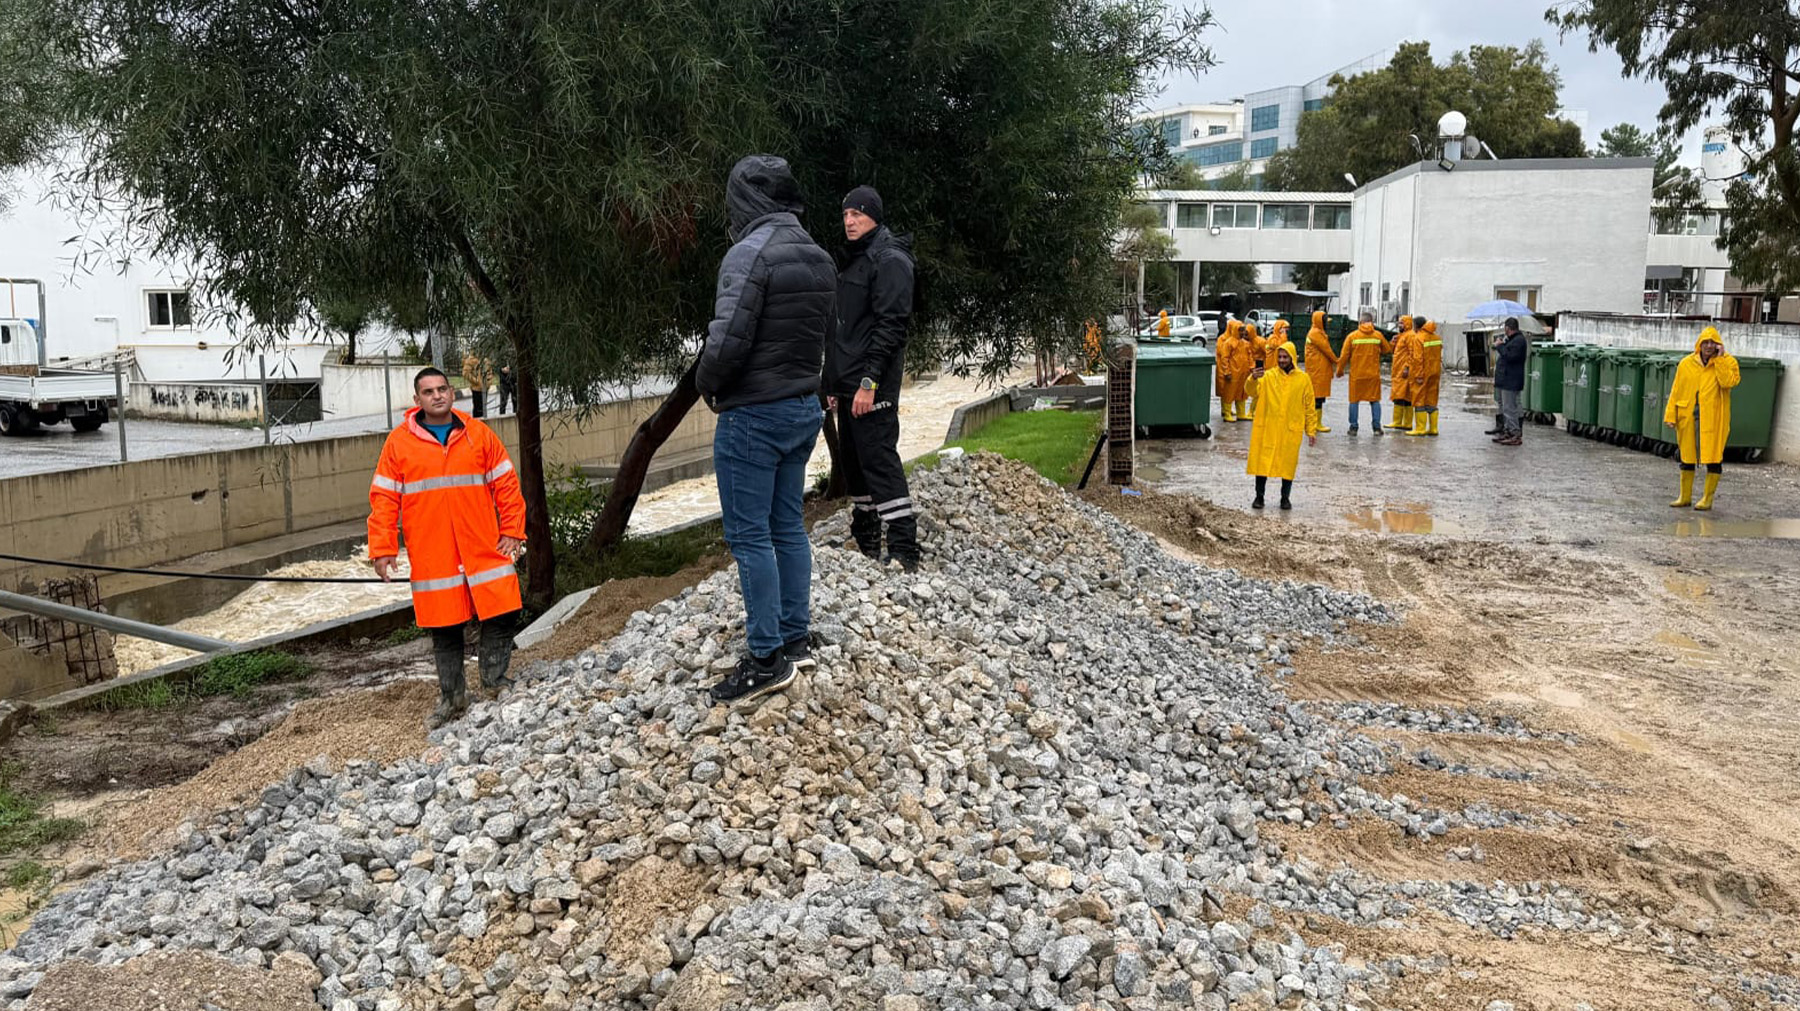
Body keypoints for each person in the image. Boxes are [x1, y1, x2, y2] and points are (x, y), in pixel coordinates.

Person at [695, 154, 836, 705]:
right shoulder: (819, 256)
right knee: (787, 526)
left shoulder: (749, 254)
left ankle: (765, 659)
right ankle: (796, 637)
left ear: (744, 200)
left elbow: (726, 339)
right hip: (802, 407)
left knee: (750, 536)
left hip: (753, 413)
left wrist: (709, 386)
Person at [369, 367, 526, 728]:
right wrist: (383, 548)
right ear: (417, 400)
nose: (438, 396)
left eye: (443, 389)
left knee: (502, 612)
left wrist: (513, 530)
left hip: (483, 546)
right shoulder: (398, 444)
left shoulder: (479, 435)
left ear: (453, 394)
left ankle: (494, 682)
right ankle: (453, 697)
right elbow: (383, 499)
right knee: (445, 627)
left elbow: (506, 485)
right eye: (429, 391)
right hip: (434, 553)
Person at [825, 184, 919, 570]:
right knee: (853, 462)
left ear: (874, 216)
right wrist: (833, 385)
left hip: (871, 384)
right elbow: (843, 329)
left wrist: (868, 383)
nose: (849, 221)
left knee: (878, 458)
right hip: (848, 384)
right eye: (846, 214)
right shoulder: (854, 258)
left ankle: (903, 548)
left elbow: (889, 328)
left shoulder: (890, 259)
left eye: (857, 214)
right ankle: (865, 538)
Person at [1664, 327, 1741, 510]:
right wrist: (1670, 415)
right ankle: (1685, 496)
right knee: (1687, 456)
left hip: (1713, 417)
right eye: (1705, 342)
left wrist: (1720, 360)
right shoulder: (1686, 363)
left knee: (1714, 456)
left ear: (1718, 345)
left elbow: (1728, 382)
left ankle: (1707, 498)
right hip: (1688, 415)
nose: (1708, 346)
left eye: (1712, 342)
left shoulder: (1728, 362)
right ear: (1699, 344)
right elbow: (1676, 390)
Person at [1245, 341, 1320, 510]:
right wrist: (1252, 378)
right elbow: (1251, 392)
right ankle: (1259, 496)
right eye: (1279, 356)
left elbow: (1309, 405)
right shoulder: (1268, 376)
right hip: (1268, 428)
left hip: (1290, 429)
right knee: (1262, 463)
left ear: (1292, 358)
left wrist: (1311, 430)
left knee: (1288, 464)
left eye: (1285, 357)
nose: (1282, 360)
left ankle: (1285, 498)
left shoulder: (1303, 379)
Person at [1335, 312, 1392, 435]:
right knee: (1375, 400)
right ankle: (1376, 428)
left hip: (1357, 375)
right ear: (1372, 322)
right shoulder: (1378, 335)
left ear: (1360, 322)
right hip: (1373, 375)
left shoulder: (1352, 337)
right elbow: (1387, 349)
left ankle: (1353, 428)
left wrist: (1339, 371)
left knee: (1354, 401)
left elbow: (1344, 356)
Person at [1492, 317, 1529, 446]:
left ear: (1508, 328)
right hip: (1506, 379)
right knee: (1506, 407)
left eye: (1505, 328)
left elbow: (1510, 356)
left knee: (1510, 408)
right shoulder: (1512, 340)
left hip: (1511, 380)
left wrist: (1500, 346)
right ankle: (1508, 431)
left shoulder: (1518, 341)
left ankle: (1515, 433)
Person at [1406, 320, 1444, 436]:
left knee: (1419, 400)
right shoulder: (1437, 338)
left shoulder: (1418, 338)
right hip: (1435, 372)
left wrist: (1418, 375)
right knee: (1432, 399)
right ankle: (1433, 428)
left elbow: (1418, 359)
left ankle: (1420, 428)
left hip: (1422, 373)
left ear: (1417, 326)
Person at [1303, 310, 1338, 433]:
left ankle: (1313, 422)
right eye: (1325, 322)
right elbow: (1327, 350)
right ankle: (1315, 423)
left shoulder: (1316, 332)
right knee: (1317, 397)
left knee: (1318, 397)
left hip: (1317, 369)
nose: (1327, 325)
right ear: (1320, 322)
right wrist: (1338, 361)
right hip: (1317, 370)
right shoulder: (1316, 334)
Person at [1218, 319, 1253, 422]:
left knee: (1242, 393)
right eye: (1240, 330)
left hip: (1243, 373)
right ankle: (1227, 413)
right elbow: (1224, 358)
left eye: (1243, 330)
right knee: (1229, 393)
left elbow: (1250, 356)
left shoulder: (1246, 343)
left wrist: (1251, 367)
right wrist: (1227, 372)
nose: (1242, 333)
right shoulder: (1228, 343)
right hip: (1233, 373)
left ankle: (1241, 413)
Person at [1389, 315, 1419, 433]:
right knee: (1402, 395)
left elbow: (1412, 353)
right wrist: (1392, 343)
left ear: (1407, 324)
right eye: (1399, 323)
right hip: (1398, 370)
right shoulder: (1401, 336)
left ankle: (1402, 422)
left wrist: (1407, 367)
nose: (1399, 325)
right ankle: (1404, 423)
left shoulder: (1410, 336)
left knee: (1403, 395)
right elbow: (1395, 352)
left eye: (1401, 323)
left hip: (1404, 371)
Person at [461, 353, 492, 418]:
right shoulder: (470, 360)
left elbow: (489, 372)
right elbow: (465, 373)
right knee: (478, 409)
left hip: (485, 388)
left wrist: (488, 382)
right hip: (476, 389)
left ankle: (483, 424)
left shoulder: (485, 360)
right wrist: (476, 381)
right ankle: (476, 424)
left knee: (484, 408)